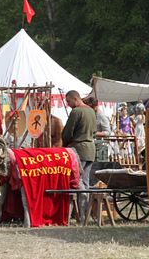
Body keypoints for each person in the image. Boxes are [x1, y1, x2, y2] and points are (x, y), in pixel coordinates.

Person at [61, 90, 96, 220]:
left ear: (75, 99)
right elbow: (94, 131)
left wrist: (65, 144)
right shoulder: (91, 111)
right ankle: (84, 214)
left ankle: (76, 214)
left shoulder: (76, 112)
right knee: (85, 183)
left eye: (69, 101)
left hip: (78, 150)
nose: (68, 104)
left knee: (76, 182)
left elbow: (67, 133)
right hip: (90, 149)